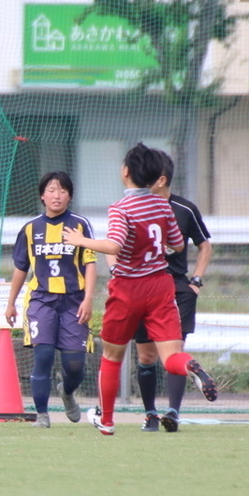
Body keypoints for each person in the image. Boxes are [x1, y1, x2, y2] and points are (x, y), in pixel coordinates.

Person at [61, 143, 217, 436]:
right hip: (161, 284)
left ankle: (106, 421)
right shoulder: (162, 205)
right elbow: (177, 244)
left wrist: (81, 241)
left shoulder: (121, 208)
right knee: (171, 355)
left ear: (126, 172)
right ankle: (191, 366)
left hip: (129, 287)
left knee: (112, 355)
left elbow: (114, 245)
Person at [4, 171, 97, 428]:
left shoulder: (80, 225)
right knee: (43, 356)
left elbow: (90, 264)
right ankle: (42, 415)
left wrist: (88, 299)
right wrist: (11, 302)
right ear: (42, 196)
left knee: (75, 364)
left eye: (63, 190)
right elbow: (21, 268)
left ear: (70, 196)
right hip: (41, 302)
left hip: (74, 302)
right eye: (52, 190)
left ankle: (67, 392)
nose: (57, 195)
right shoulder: (30, 229)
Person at [133, 151, 213, 432]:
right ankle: (150, 414)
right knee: (146, 356)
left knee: (174, 350)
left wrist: (196, 281)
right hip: (142, 287)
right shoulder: (134, 207)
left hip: (176, 289)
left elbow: (205, 245)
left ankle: (173, 412)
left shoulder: (185, 209)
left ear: (161, 180)